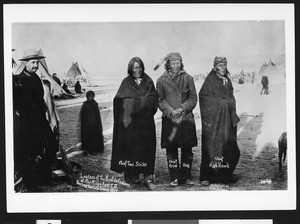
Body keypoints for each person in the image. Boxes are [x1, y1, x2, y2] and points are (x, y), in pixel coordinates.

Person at [111, 57, 158, 190]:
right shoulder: (126, 82)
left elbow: (154, 99)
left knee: (147, 148)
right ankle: (133, 176)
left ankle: (148, 177)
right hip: (130, 125)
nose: (138, 70)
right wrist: (134, 103)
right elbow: (118, 100)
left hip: (145, 123)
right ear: (130, 69)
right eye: (135, 68)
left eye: (140, 67)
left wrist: (139, 102)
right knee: (131, 149)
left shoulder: (148, 81)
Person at [155, 52, 198, 187]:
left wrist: (182, 108)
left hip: (185, 118)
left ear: (181, 63)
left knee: (187, 151)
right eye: (173, 63)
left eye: (178, 62)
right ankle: (174, 177)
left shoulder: (188, 78)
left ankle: (185, 177)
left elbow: (193, 98)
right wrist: (171, 111)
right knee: (171, 150)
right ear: (168, 64)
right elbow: (159, 100)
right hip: (170, 120)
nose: (176, 65)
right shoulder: (161, 80)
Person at [199, 57, 240, 186]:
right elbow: (204, 97)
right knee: (212, 148)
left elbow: (231, 97)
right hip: (213, 122)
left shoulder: (227, 80)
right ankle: (207, 176)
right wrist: (221, 103)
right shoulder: (210, 79)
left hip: (226, 121)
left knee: (228, 147)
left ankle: (225, 175)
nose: (223, 67)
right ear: (215, 66)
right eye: (220, 65)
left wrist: (227, 104)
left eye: (225, 65)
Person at [13, 49, 51, 191]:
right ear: (26, 63)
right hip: (28, 123)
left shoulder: (35, 78)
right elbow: (19, 105)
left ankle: (44, 177)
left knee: (51, 144)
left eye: (37, 62)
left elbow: (40, 100)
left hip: (40, 120)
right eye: (33, 62)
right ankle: (30, 184)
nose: (36, 65)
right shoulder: (19, 80)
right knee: (29, 153)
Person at [38, 79, 60, 185]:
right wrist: (53, 124)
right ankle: (45, 176)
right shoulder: (45, 91)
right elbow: (49, 110)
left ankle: (46, 175)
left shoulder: (45, 90)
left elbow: (52, 109)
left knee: (50, 148)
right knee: (49, 148)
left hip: (47, 123)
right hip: (45, 123)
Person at [80, 90, 104, 155]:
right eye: (89, 97)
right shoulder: (85, 104)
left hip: (94, 124)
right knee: (87, 137)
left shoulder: (95, 104)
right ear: (87, 97)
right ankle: (87, 149)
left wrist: (97, 124)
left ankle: (95, 149)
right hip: (86, 125)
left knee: (95, 137)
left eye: (91, 96)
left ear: (93, 97)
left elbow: (97, 115)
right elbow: (82, 115)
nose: (90, 98)